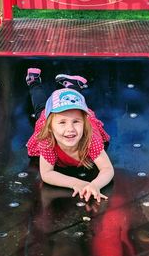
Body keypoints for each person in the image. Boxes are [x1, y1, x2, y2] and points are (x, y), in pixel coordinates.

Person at [25, 68, 114, 202]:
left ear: (85, 123)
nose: (70, 129)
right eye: (62, 122)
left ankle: (72, 86)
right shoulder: (47, 138)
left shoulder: (89, 138)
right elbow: (47, 173)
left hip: (74, 112)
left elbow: (107, 169)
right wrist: (77, 183)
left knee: (72, 104)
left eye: (76, 122)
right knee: (40, 107)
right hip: (46, 116)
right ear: (50, 127)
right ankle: (33, 82)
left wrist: (95, 185)